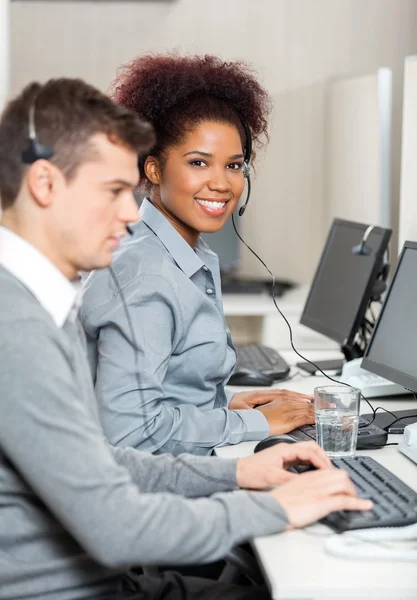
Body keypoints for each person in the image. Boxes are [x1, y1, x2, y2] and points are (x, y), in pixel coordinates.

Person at [0, 77, 372, 600]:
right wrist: (276, 506)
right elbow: (116, 525)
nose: (132, 213)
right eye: (113, 192)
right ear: (44, 184)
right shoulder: (16, 326)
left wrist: (241, 471)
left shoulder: (39, 302)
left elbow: (105, 462)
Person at [80, 53, 315, 456]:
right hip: (139, 497)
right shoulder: (146, 277)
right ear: (153, 169)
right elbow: (128, 432)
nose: (221, 183)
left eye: (235, 165)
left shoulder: (180, 254)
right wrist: (253, 423)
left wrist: (219, 406)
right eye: (199, 162)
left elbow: (162, 389)